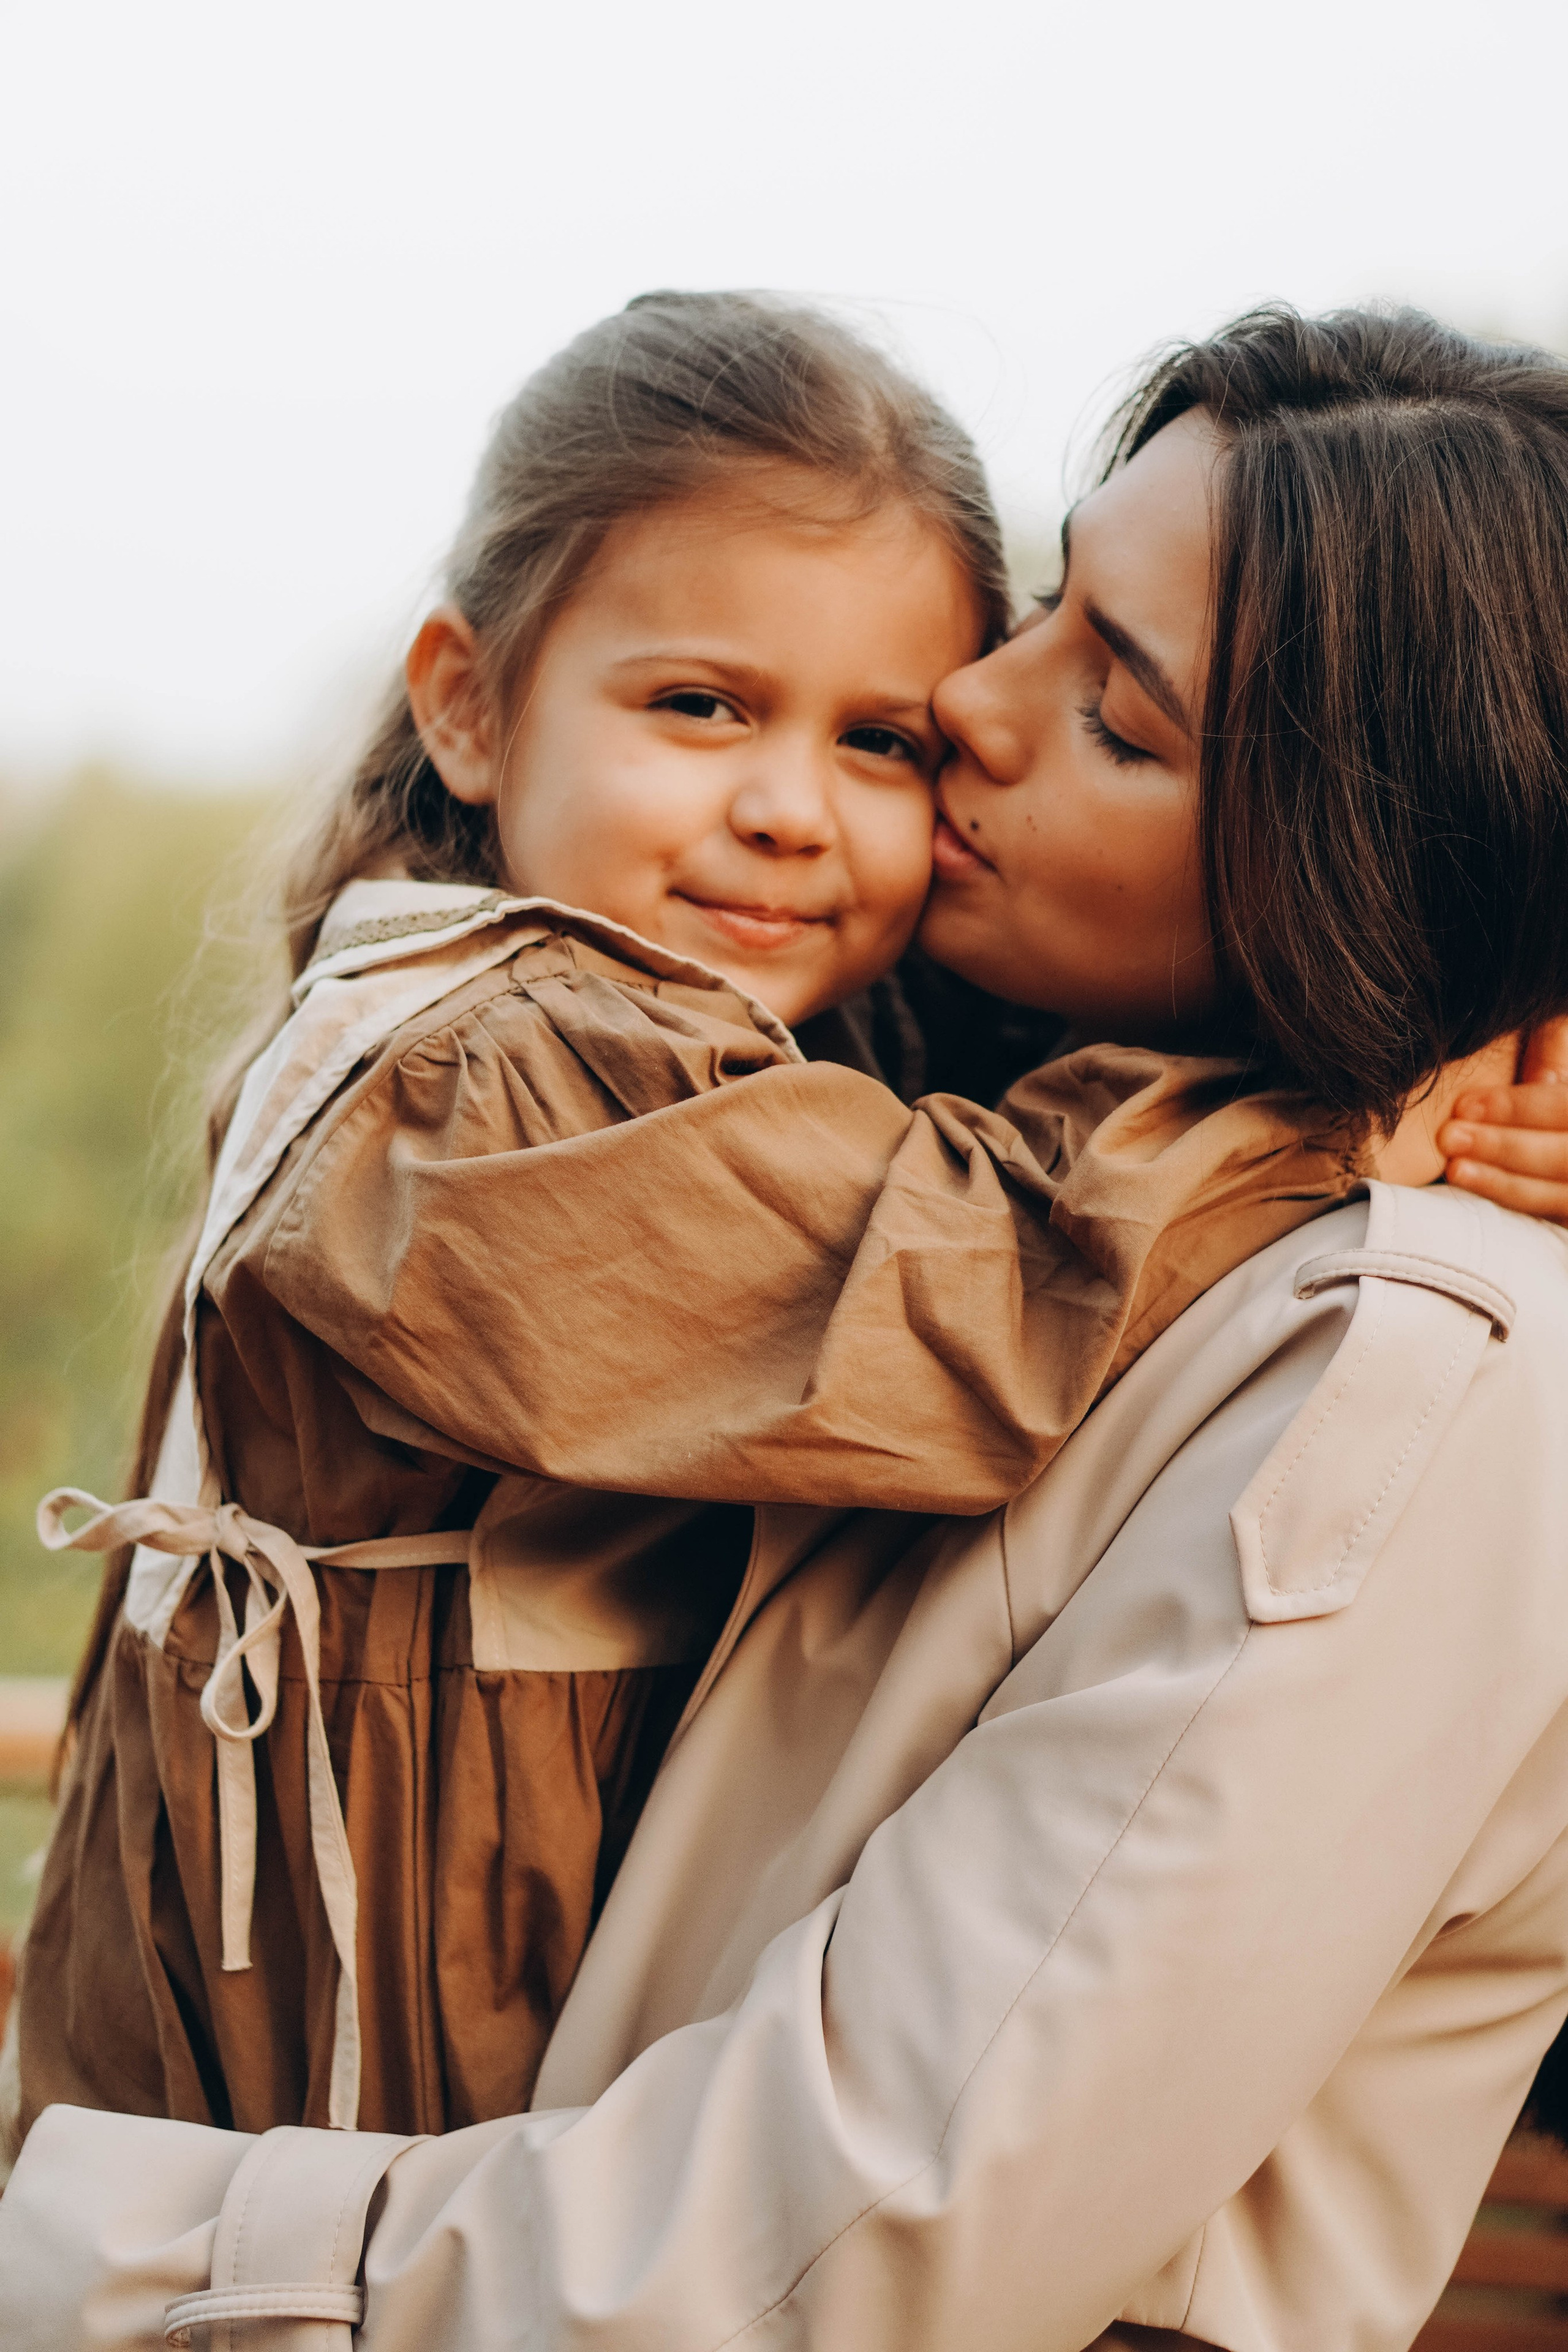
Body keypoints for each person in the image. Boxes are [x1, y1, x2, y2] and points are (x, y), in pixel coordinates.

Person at [13, 302, 1568, 2352]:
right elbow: (962, 1280)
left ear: (1355, 865)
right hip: (310, 2105)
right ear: (470, 713)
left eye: (1108, 717)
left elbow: (889, 2215)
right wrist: (1350, 1099)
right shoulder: (525, 1080)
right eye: (1036, 620)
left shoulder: (1404, 1364)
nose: (959, 729)